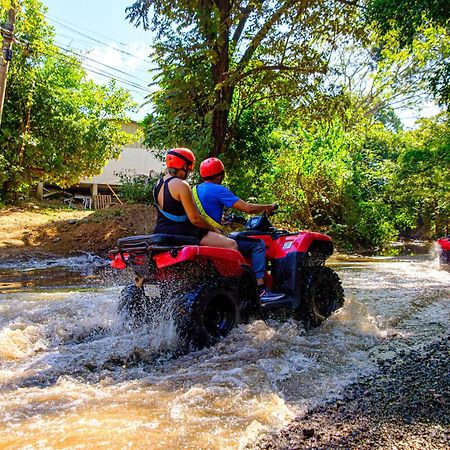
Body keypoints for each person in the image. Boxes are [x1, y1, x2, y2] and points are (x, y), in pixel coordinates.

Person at [193, 157, 284, 301]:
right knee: (258, 245)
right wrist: (268, 207)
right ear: (220, 175)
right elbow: (247, 208)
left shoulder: (194, 190)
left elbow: (204, 213)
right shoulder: (218, 190)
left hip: (198, 235)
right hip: (211, 235)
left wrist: (224, 221)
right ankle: (261, 289)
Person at [153, 148, 238, 250]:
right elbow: (195, 219)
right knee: (231, 244)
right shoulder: (181, 185)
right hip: (184, 233)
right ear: (184, 165)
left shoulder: (158, 184)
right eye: (189, 169)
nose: (189, 172)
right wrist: (214, 229)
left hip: (160, 231)